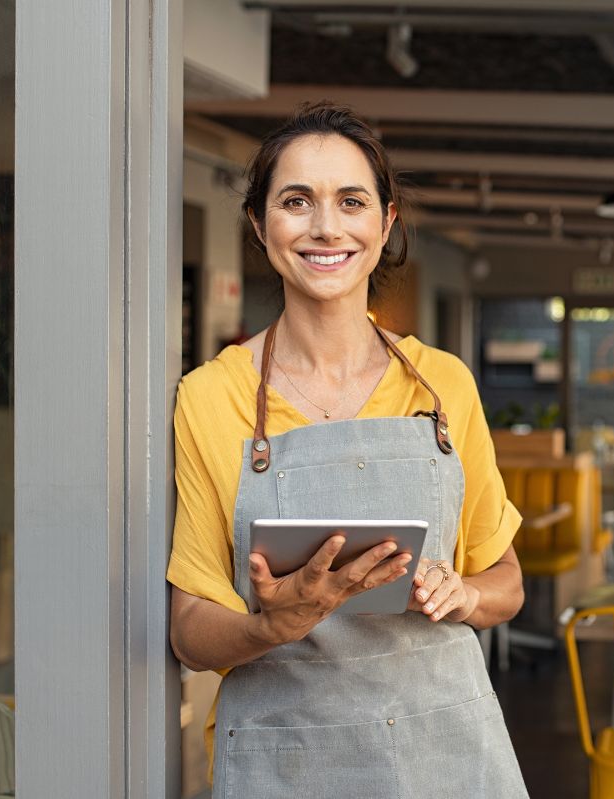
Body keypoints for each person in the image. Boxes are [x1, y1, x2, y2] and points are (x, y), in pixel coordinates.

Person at [166, 103, 529, 796]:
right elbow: (189, 629)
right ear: (259, 224)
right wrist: (273, 622)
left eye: (351, 201)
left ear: (385, 222)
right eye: (296, 201)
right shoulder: (211, 397)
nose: (325, 226)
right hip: (287, 758)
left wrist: (465, 592)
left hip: (442, 752)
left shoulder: (444, 384)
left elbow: (505, 580)